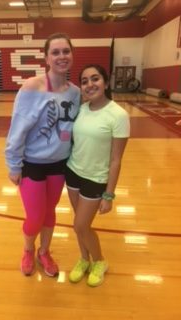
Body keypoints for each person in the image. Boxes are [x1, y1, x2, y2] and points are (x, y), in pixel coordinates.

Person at [5, 33, 80, 277]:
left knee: (49, 214)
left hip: (59, 165)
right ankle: (28, 249)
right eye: (55, 52)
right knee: (35, 216)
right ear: (46, 57)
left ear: (72, 55)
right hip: (32, 164)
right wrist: (14, 164)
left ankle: (44, 252)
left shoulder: (75, 93)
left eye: (66, 51)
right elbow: (17, 129)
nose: (61, 56)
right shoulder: (31, 87)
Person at [65, 64, 130, 287]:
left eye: (95, 79)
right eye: (84, 81)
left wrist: (109, 194)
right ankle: (84, 259)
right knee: (77, 223)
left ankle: (99, 261)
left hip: (96, 179)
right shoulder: (82, 109)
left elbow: (116, 160)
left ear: (106, 82)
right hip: (73, 173)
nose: (90, 85)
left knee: (81, 226)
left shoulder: (118, 115)